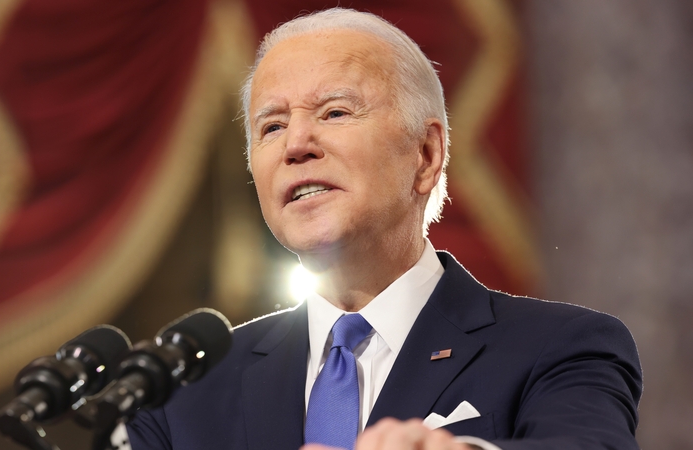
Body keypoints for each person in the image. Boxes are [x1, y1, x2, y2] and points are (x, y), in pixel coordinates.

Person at [125, 8, 641, 450]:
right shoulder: (182, 392)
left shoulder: (560, 346)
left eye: (335, 112)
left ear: (425, 155)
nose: (295, 145)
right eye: (272, 126)